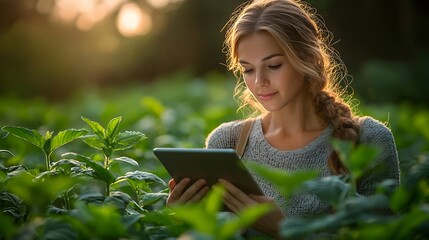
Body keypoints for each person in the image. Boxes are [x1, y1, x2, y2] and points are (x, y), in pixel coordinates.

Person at [166, 0, 400, 238]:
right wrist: (188, 218)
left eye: (274, 65)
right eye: (247, 69)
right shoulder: (227, 142)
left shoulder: (370, 140)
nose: (259, 82)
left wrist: (283, 230)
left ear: (309, 58)